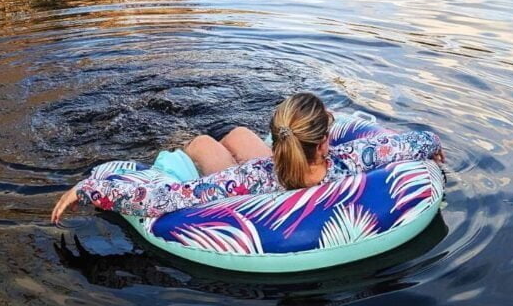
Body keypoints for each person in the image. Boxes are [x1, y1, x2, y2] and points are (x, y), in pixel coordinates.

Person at [50, 92, 445, 222]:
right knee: (238, 135)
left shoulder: (252, 178)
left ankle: (187, 142)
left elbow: (162, 200)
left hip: (259, 186)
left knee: (205, 144)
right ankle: (219, 138)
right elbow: (412, 143)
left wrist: (89, 189)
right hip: (287, 170)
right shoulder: (354, 161)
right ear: (326, 143)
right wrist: (430, 144)